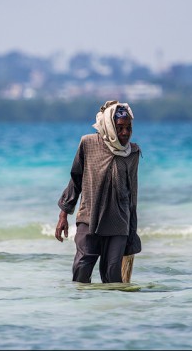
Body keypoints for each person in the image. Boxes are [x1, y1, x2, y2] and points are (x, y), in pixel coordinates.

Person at [54, 100, 141, 283]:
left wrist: (132, 231)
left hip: (119, 223)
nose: (125, 133)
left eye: (128, 127)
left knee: (112, 275)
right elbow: (76, 179)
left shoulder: (132, 152)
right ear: (109, 126)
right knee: (82, 270)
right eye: (120, 128)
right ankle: (82, 309)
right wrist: (64, 214)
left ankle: (111, 311)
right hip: (89, 217)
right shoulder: (88, 143)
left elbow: (132, 194)